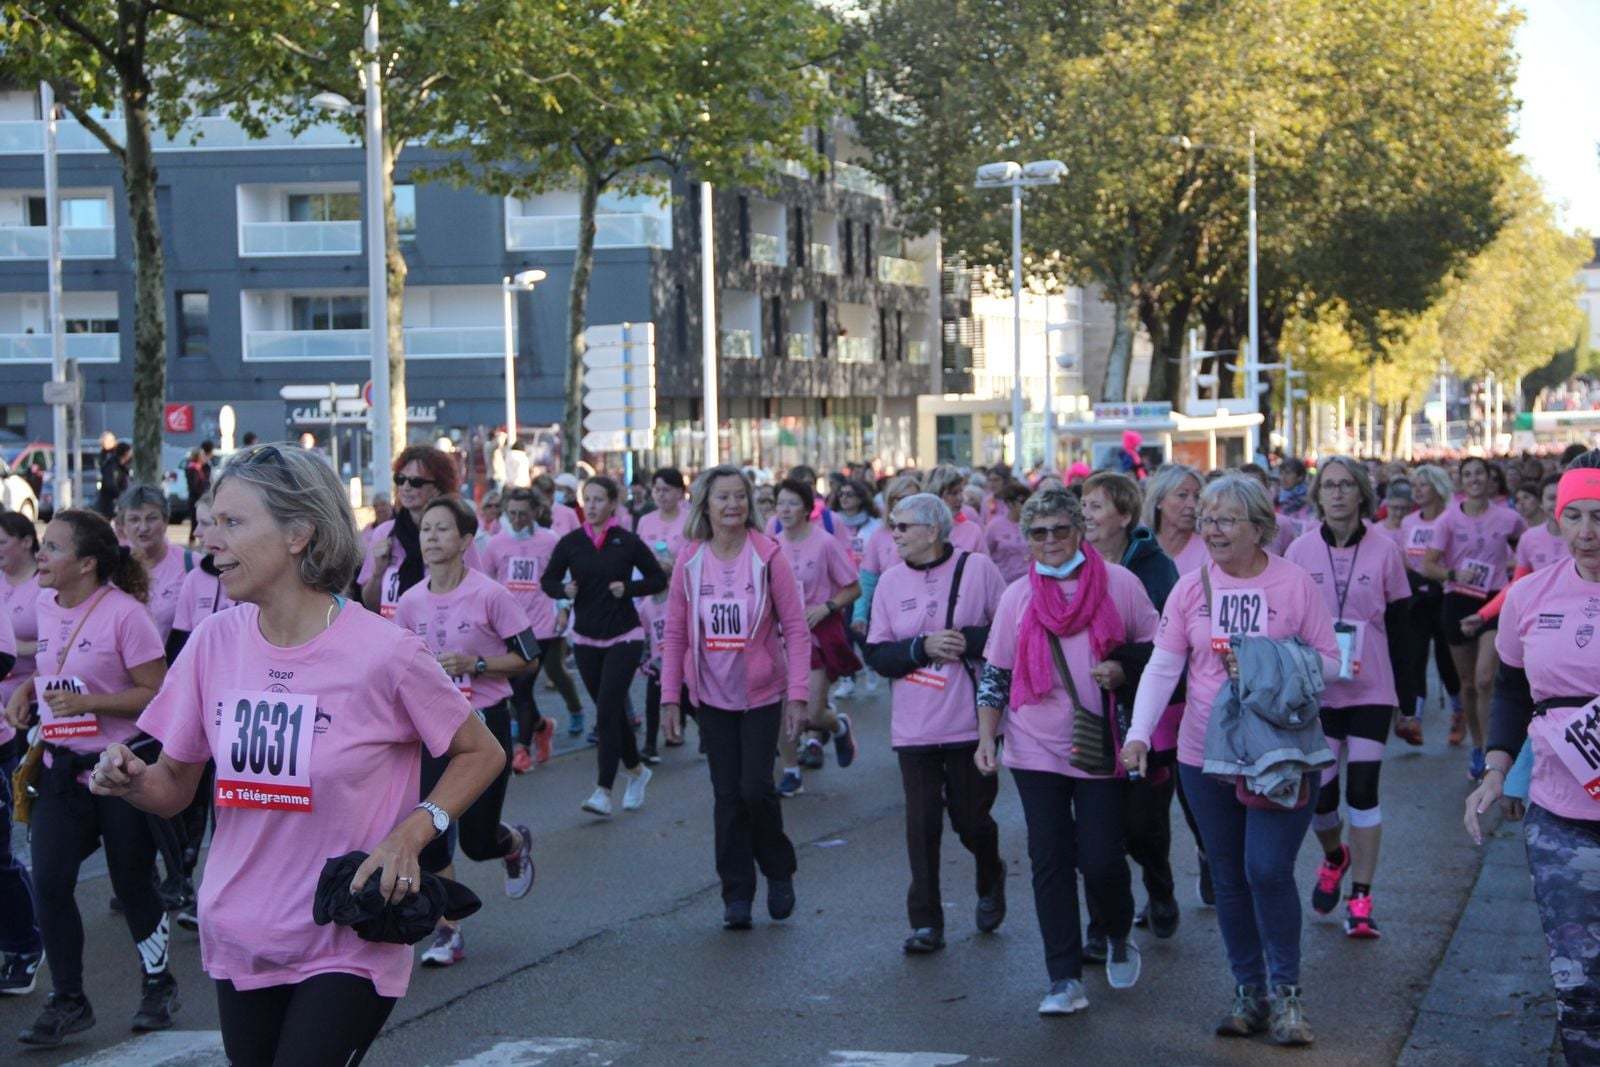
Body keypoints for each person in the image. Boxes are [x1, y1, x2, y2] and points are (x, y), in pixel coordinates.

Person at [90, 443, 505, 1066]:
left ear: (298, 533)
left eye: (232, 522)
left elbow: (481, 751)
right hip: (241, 927)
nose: (210, 541)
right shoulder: (211, 644)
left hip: (346, 931)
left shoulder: (385, 652)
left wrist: (412, 835)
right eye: (211, 523)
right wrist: (131, 779)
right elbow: (173, 786)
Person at [1124, 474, 1339, 1047]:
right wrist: (1140, 734)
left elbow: (1330, 662)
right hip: (1204, 756)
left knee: (1266, 869)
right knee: (1229, 876)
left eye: (1225, 520)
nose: (1211, 530)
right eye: (1207, 519)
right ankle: (1249, 992)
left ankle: (1287, 994)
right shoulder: (1190, 588)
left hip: (1281, 754)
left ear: (1259, 527)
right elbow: (1163, 667)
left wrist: (1268, 661)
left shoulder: (1293, 584)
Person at [975, 488, 1160, 1013]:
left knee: (1101, 860)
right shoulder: (1017, 596)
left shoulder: (1119, 584)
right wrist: (986, 737)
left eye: (1061, 529)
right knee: (1050, 859)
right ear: (1027, 540)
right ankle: (1063, 979)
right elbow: (996, 674)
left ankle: (1116, 931)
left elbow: (1160, 650)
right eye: (1039, 533)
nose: (1051, 540)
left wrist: (1122, 669)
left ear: (1080, 531)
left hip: (1100, 743)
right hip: (1033, 745)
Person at [3, 510, 175, 1046]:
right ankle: (69, 1000)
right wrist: (26, 691)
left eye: (53, 547)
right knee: (50, 882)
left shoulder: (126, 615)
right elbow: (51, 668)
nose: (41, 555)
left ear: (87, 563)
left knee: (132, 882)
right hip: (61, 768)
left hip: (120, 769)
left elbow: (157, 694)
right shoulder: (45, 605)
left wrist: (90, 703)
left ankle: (159, 983)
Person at [1464, 455, 1600, 1065]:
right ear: (1556, 518)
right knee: (1579, 980)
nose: (1587, 532)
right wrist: (1496, 771)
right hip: (1560, 810)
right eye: (1574, 516)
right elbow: (1513, 691)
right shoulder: (1528, 595)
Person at [659, 466, 810, 928]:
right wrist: (670, 697)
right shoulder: (690, 559)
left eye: (740, 497)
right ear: (705, 505)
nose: (733, 505)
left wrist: (798, 694)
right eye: (723, 497)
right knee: (726, 796)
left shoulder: (767, 555)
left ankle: (778, 870)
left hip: (761, 693)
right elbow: (675, 633)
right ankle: (737, 894)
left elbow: (796, 629)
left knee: (755, 789)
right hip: (711, 696)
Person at [395, 495, 538, 968]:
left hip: (484, 724)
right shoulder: (410, 602)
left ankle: (513, 843)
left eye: (442, 529)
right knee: (431, 831)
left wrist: (476, 664)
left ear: (465, 540)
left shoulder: (491, 595)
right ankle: (448, 930)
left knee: (477, 842)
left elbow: (528, 658)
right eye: (426, 530)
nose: (432, 537)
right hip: (432, 727)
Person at [865, 493, 1008, 954]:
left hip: (970, 723)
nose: (894, 534)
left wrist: (967, 640)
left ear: (932, 530)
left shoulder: (977, 569)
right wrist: (920, 648)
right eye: (893, 525)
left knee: (971, 821)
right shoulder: (889, 582)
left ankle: (991, 874)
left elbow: (1010, 632)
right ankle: (926, 922)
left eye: (903, 526)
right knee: (922, 824)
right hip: (915, 726)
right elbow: (877, 655)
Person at [1284, 457, 1411, 939]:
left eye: (1346, 485)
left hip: (1371, 688)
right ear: (1318, 495)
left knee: (1362, 789)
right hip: (1318, 690)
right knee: (1322, 797)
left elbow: (1403, 628)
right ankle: (1335, 856)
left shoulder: (1385, 549)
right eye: (1329, 486)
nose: (1337, 493)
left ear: (1362, 494)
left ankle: (1361, 898)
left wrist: (1408, 699)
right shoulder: (1299, 550)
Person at [1080, 470, 1196, 939]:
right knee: (1097, 823)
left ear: (1125, 515)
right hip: (1090, 709)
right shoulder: (1074, 562)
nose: (1086, 515)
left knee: (1143, 822)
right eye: (1083, 506)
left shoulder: (1155, 566)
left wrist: (1124, 666)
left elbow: (1170, 642)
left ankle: (1160, 886)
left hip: (1153, 711)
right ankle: (1104, 923)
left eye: (1096, 506)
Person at [541, 476, 667, 816]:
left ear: (612, 504)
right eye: (589, 499)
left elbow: (658, 578)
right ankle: (637, 771)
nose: (593, 505)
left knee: (608, 709)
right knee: (610, 711)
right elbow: (548, 580)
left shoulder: (627, 541)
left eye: (599, 499)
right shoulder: (571, 543)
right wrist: (563, 591)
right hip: (585, 638)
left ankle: (603, 790)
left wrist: (628, 589)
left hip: (625, 635)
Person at [1423, 455, 1525, 780]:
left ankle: (1495, 751)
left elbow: (1525, 553)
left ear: (1490, 478)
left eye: (1479, 473)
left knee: (1485, 678)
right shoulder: (1448, 520)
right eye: (1467, 474)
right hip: (1458, 601)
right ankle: (1478, 746)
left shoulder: (1509, 518)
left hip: (1494, 601)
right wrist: (1454, 574)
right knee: (1467, 683)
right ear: (1461, 481)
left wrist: (1514, 569)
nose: (1474, 479)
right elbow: (1429, 564)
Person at [773, 478, 861, 796]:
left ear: (807, 509)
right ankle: (791, 770)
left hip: (816, 635)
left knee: (811, 713)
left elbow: (853, 587)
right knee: (781, 708)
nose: (785, 509)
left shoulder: (824, 543)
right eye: (780, 503)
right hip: (781, 635)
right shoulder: (772, 546)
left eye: (792, 503)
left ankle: (838, 726)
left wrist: (826, 608)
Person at [480, 488, 569, 770]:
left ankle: (522, 750)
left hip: (541, 626)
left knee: (522, 687)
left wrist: (564, 609)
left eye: (523, 514)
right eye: (512, 514)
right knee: (515, 690)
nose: (517, 519)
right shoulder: (496, 543)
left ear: (535, 512)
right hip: (507, 627)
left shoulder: (550, 540)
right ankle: (542, 727)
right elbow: (486, 582)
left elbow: (562, 578)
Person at [360, 446, 479, 620]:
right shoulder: (384, 533)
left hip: (440, 632)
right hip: (392, 633)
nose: (406, 487)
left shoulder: (455, 534)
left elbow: (477, 594)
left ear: (438, 487)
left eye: (416, 482)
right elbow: (370, 605)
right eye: (400, 479)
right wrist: (378, 573)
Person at [0, 513, 42, 995]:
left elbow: (7, 655)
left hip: (22, 718)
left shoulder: (38, 588)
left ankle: (25, 945)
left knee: (2, 856)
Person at [1396, 465, 1462, 746]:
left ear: (1437, 487)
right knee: (1415, 656)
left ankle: (1459, 712)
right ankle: (1415, 719)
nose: (1417, 491)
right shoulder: (1409, 522)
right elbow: (1405, 558)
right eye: (1415, 486)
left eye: (1423, 485)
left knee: (1447, 660)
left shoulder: (1451, 518)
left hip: (1445, 592)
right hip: (1416, 594)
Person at [116, 484, 190, 643]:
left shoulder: (190, 564)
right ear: (122, 526)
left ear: (166, 521)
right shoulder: (111, 569)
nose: (143, 527)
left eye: (151, 518)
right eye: (134, 519)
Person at [829, 477, 881, 699]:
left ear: (861, 498)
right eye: (841, 494)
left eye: (850, 494)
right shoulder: (833, 523)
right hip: (840, 586)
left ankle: (870, 665)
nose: (844, 498)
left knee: (861, 632)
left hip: (866, 588)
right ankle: (847, 679)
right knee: (842, 635)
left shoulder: (874, 526)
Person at [1144, 464, 1209, 575]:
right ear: (1159, 500)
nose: (1192, 504)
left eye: (1197, 497)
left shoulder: (1209, 551)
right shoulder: (1140, 546)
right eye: (1182, 495)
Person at [635, 468, 689, 568]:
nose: (661, 495)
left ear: (680, 492)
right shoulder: (645, 521)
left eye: (666, 490)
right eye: (657, 490)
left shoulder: (690, 521)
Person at [926, 466, 987, 555]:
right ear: (935, 495)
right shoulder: (917, 530)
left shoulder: (972, 531)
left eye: (961, 492)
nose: (960, 498)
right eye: (953, 493)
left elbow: (985, 562)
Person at [985, 482, 1033, 584]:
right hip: (1004, 582)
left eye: (1029, 502)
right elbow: (986, 553)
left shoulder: (1034, 524)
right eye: (1022, 502)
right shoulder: (995, 526)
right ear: (1010, 504)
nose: (1027, 506)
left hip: (1029, 581)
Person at [95, 439, 131, 518]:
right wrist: (120, 495)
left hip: (116, 502)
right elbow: (110, 484)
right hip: (110, 504)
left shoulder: (122, 467)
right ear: (125, 453)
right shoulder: (112, 466)